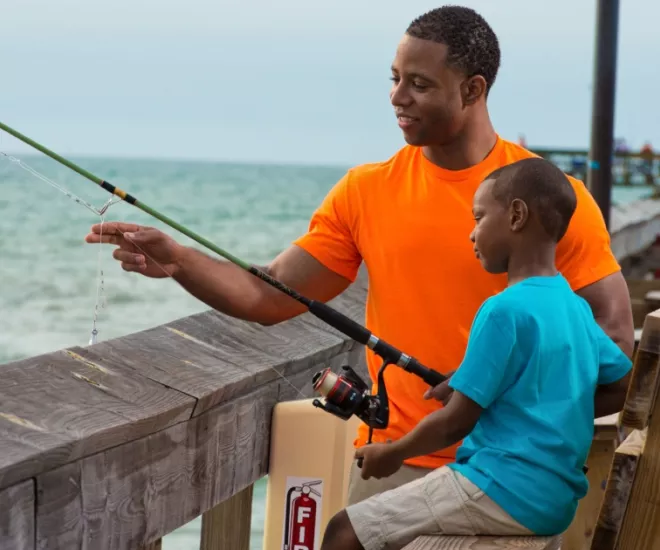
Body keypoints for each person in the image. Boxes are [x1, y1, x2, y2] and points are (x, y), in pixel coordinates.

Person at [84, 5, 634, 504]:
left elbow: (614, 349)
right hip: (391, 467)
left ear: (472, 90)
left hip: (513, 482)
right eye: (395, 80)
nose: (398, 97)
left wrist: (511, 420)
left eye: (419, 84)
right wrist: (180, 262)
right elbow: (271, 294)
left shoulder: (552, 200)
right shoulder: (365, 191)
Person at [319, 157, 633, 550]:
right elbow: (622, 384)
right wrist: (542, 411)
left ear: (517, 216)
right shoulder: (574, 308)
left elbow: (455, 424)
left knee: (343, 532)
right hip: (554, 499)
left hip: (502, 485)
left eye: (479, 218)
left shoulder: (502, 309)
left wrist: (392, 454)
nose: (472, 234)